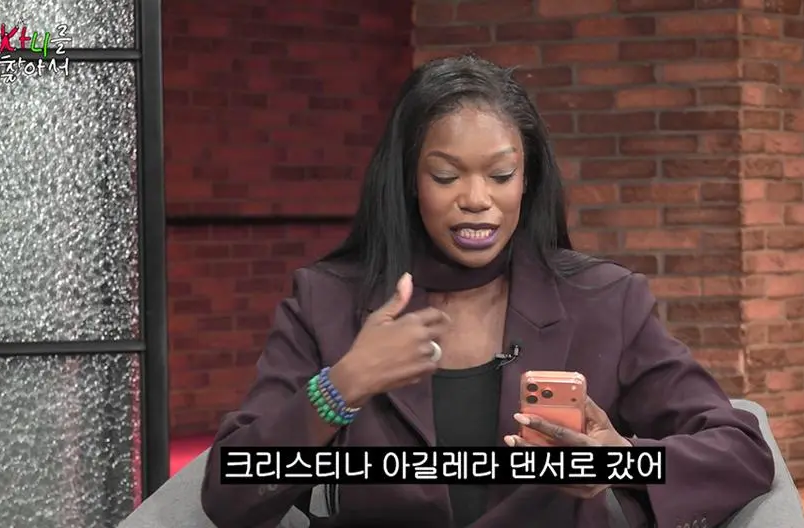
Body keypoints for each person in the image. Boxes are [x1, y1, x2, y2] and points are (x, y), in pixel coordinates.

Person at [200, 55, 774, 528]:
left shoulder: (605, 300)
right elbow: (229, 494)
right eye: (446, 176)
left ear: (528, 180)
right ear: (409, 180)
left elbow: (740, 451)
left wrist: (620, 463)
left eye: (500, 175)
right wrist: (341, 386)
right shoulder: (326, 302)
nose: (477, 199)